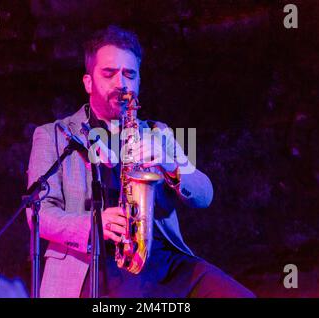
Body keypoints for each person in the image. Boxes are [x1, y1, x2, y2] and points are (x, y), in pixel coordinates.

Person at [26, 25, 254, 298]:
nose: (121, 83)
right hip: (92, 263)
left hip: (160, 260)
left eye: (129, 74)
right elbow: (38, 214)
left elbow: (205, 194)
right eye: (109, 73)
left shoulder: (158, 133)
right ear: (88, 82)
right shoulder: (53, 135)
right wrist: (95, 223)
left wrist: (170, 165)